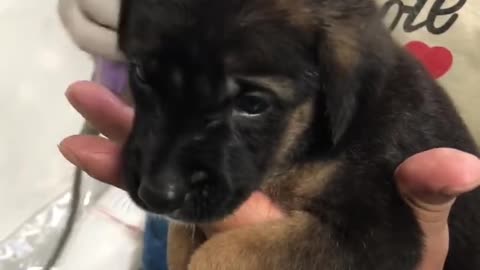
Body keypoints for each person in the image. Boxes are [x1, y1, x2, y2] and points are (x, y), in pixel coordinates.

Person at [57, 0, 480, 269]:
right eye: (146, 74)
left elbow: (377, 243)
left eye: (251, 103)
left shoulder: (366, 108)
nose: (159, 184)